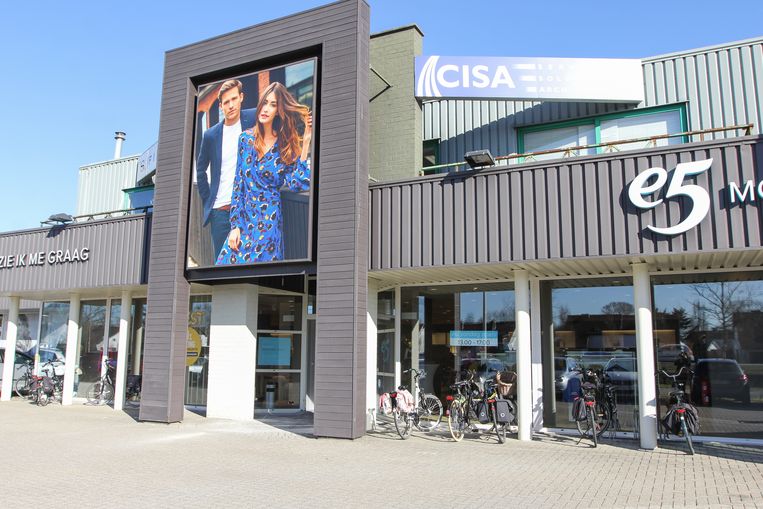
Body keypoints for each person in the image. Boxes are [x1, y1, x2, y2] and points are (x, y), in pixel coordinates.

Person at [216, 82, 312, 265]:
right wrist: (235, 226)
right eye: (265, 102)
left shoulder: (283, 146)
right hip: (244, 222)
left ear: (279, 111)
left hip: (269, 223)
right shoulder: (245, 139)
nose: (266, 109)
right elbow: (238, 184)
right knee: (224, 265)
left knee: (259, 275)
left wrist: (306, 141)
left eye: (273, 105)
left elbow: (298, 182)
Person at [195, 80, 257, 258]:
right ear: (220, 106)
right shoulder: (211, 135)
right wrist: (209, 199)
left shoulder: (253, 118)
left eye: (234, 99)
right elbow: (200, 171)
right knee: (223, 264)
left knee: (250, 263)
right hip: (221, 212)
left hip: (249, 209)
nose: (231, 105)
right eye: (226, 102)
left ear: (241, 97)